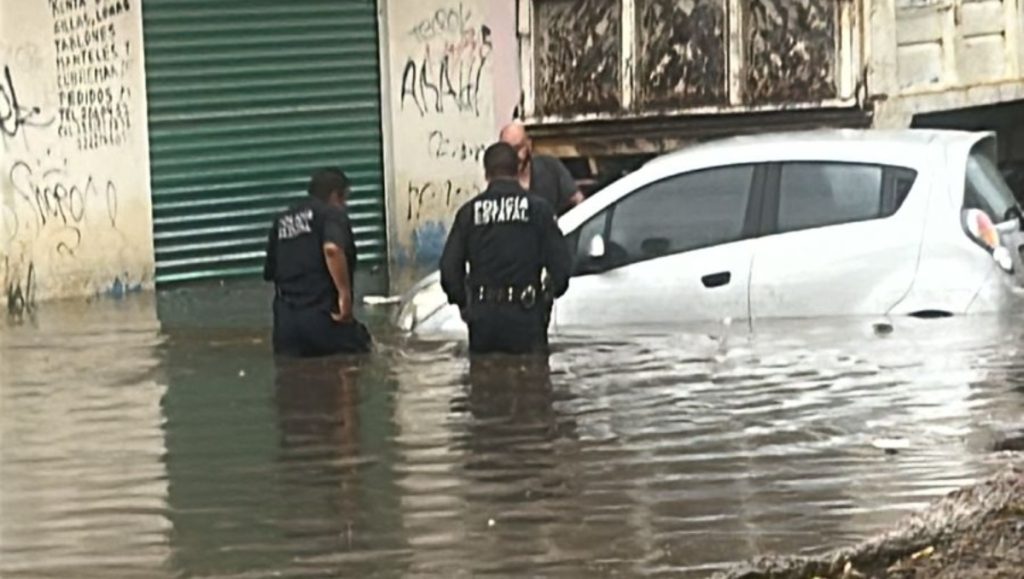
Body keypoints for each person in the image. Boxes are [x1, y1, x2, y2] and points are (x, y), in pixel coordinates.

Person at [440, 143, 572, 355]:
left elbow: (449, 270)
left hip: (484, 322)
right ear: (518, 169)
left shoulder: (468, 213)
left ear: (485, 173)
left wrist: (465, 305)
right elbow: (562, 269)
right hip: (527, 317)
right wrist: (546, 299)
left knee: (484, 382)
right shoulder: (539, 210)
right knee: (531, 383)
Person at [263, 168, 372, 357]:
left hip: (286, 328)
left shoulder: (281, 221)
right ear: (335, 196)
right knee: (363, 357)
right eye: (345, 198)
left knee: (291, 380)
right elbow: (332, 249)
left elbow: (270, 272)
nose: (345, 205)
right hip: (325, 320)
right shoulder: (331, 214)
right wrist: (344, 296)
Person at [499, 121, 585, 216]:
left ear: (529, 145)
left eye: (518, 148)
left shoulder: (550, 167)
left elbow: (578, 200)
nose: (514, 156)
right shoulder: (500, 181)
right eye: (507, 150)